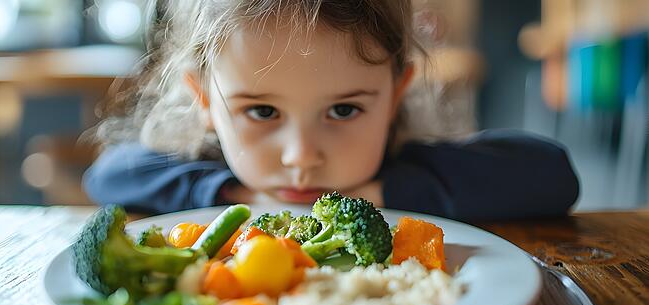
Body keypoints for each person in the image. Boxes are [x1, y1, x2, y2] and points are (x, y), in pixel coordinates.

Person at [83, 0, 579, 221]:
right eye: (262, 113)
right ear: (206, 102)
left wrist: (382, 193)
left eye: (343, 110)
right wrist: (234, 193)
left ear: (395, 95)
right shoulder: (216, 170)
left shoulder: (411, 167)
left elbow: (552, 173)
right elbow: (109, 174)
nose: (301, 158)